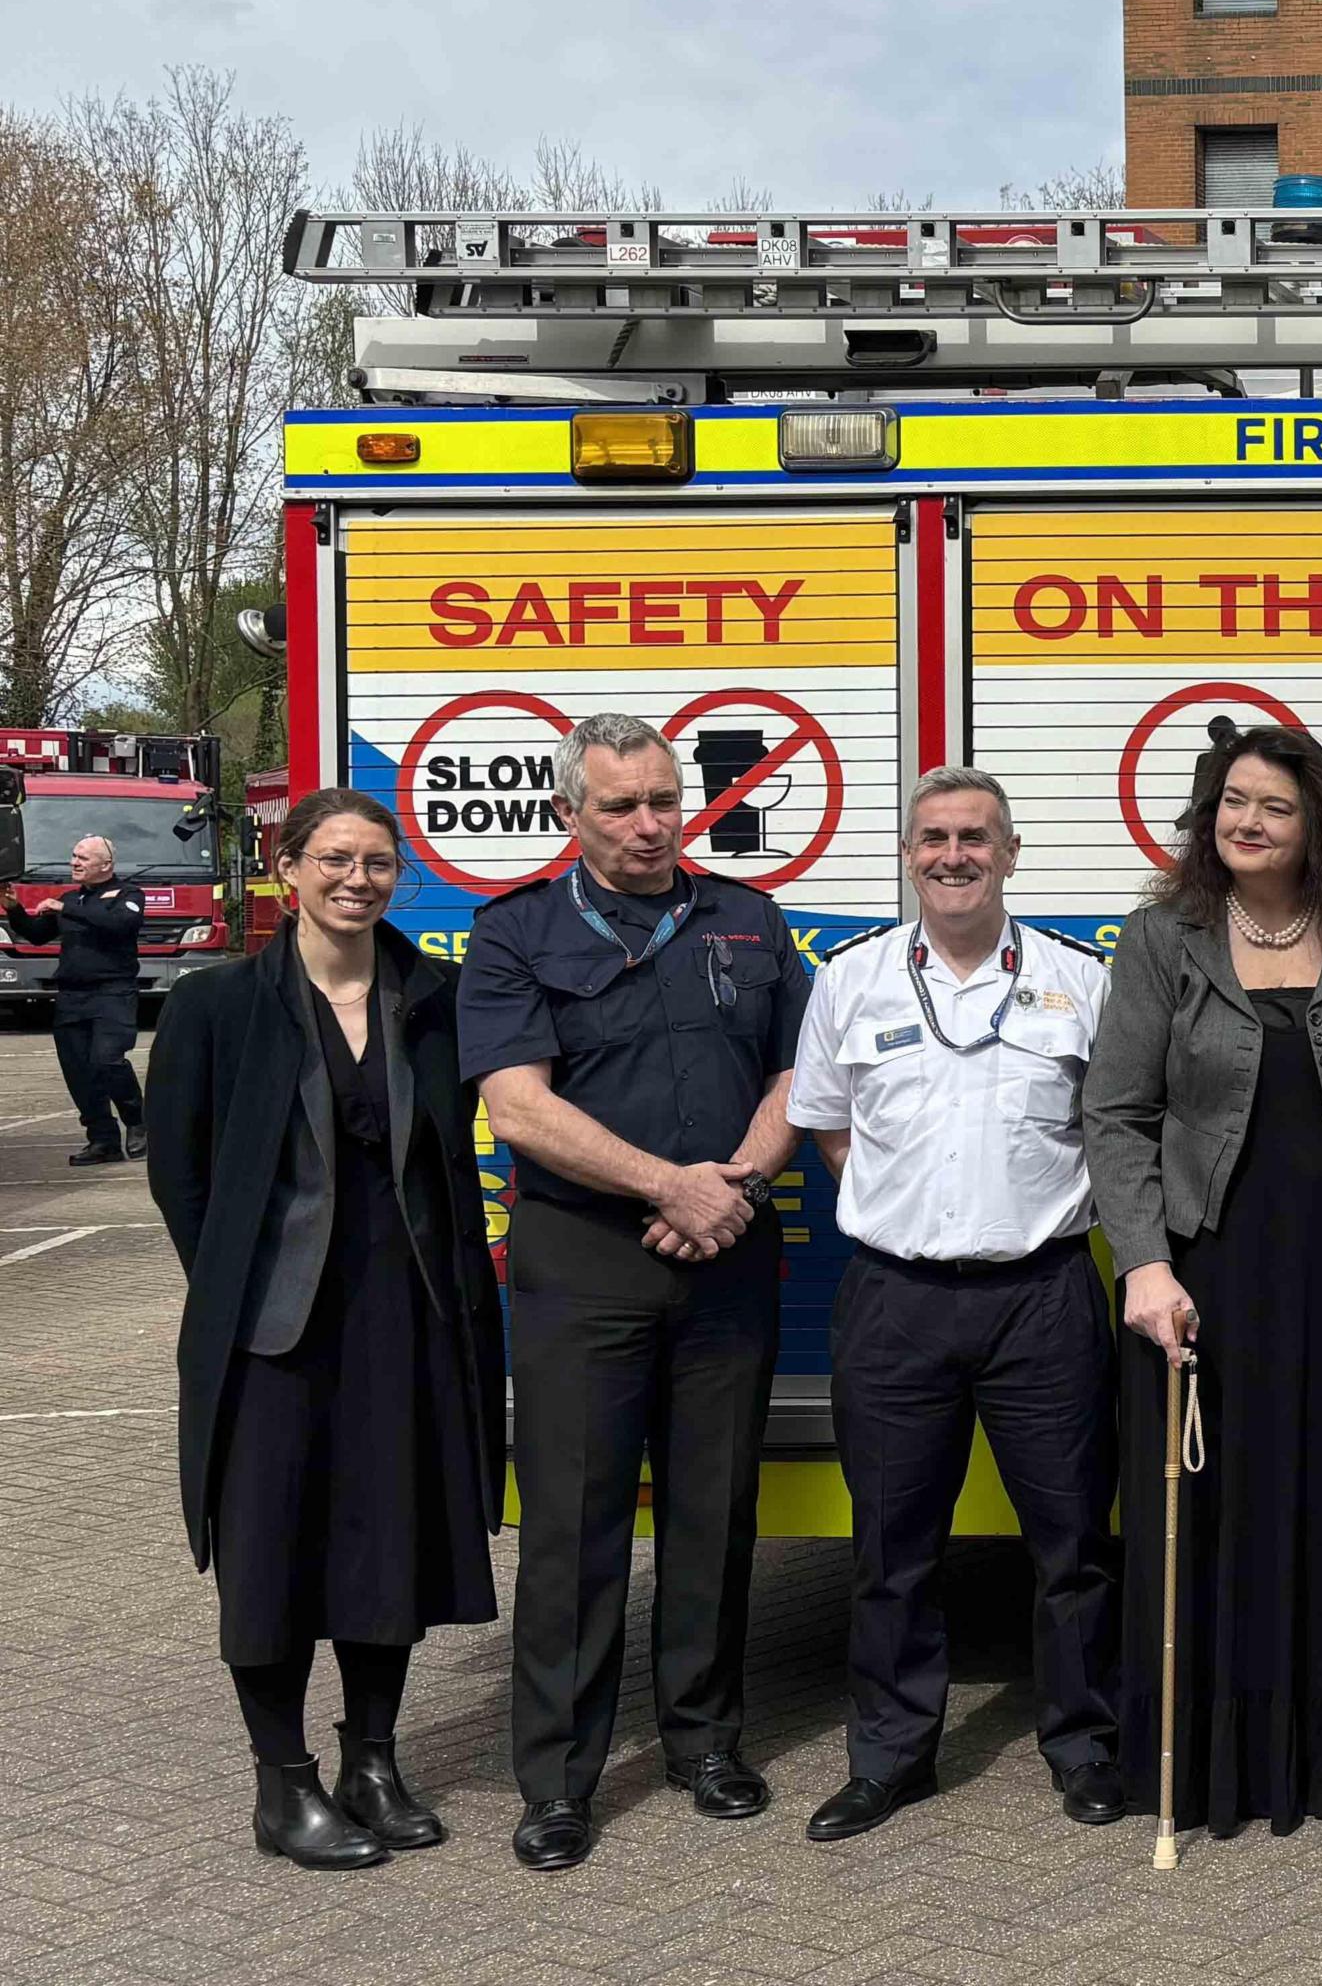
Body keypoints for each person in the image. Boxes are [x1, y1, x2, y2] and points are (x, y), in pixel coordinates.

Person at [460, 714, 808, 1871]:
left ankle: (706, 1743)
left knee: (715, 1514)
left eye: (665, 800)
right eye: (621, 805)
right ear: (571, 814)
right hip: (586, 1265)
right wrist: (673, 1185)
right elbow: (518, 1107)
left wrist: (737, 1185)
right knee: (573, 1523)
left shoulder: (750, 921)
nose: (651, 823)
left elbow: (800, 1072)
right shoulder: (512, 934)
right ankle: (559, 1779)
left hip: (729, 1254)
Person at [1085, 723, 1322, 1839]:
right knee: (1211, 1512)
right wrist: (1143, 1262)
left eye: (1274, 806)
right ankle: (1209, 1762)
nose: (1247, 822)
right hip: (1205, 1274)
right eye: (1232, 801)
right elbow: (1117, 1114)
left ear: (1315, 820)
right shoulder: (1162, 938)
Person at [147, 789, 501, 1871]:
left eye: (378, 863)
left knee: (385, 1538)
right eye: (335, 859)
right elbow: (181, 1175)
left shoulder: (432, 995)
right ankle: (283, 1783)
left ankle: (374, 1762)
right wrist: (237, 1293)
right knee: (271, 1547)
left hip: (408, 1311)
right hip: (273, 1327)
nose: (358, 880)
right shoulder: (215, 1005)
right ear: (287, 868)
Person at [784, 767, 1125, 1842]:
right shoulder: (851, 982)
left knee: (1073, 1545)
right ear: (908, 853)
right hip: (896, 1299)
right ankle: (890, 1758)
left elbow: (1113, 1129)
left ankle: (1086, 1745)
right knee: (894, 1549)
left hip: (1045, 1296)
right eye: (932, 837)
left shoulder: (1082, 983)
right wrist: (910, 1212)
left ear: (1011, 853)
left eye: (975, 836)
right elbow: (830, 1129)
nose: (953, 854)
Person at [12, 832, 148, 1164]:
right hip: (73, 996)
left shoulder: (128, 895)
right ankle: (103, 1140)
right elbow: (36, 935)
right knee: (79, 1072)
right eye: (73, 856)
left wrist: (65, 909)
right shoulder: (72, 900)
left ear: (106, 864)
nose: (75, 862)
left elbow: (120, 925)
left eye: (83, 858)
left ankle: (138, 1121)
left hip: (113, 992)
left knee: (108, 1060)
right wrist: (12, 907)